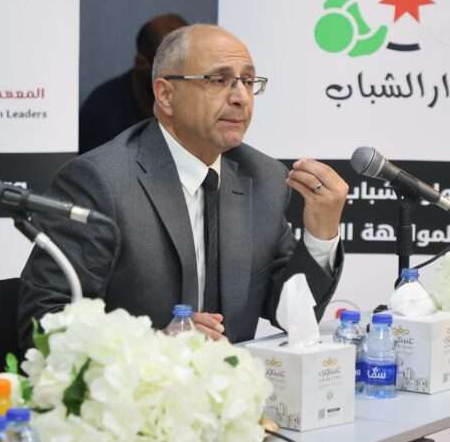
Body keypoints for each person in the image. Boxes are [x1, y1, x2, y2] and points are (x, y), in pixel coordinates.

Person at [19, 24, 348, 343]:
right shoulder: (100, 182)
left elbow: (291, 313)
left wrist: (321, 233)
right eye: (219, 80)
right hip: (135, 381)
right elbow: (46, 323)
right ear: (165, 95)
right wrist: (156, 346)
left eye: (248, 82)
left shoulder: (263, 178)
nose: (241, 98)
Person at [78, 13, 187, 153]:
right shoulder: (102, 110)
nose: (184, 80)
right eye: (172, 69)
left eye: (191, 66)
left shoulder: (202, 98)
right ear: (141, 63)